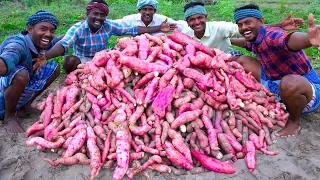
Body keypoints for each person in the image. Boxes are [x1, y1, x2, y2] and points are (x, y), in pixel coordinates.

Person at [231, 4, 320, 137]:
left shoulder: (272, 35)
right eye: (240, 25)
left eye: (248, 22)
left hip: (304, 88)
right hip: (274, 82)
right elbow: (245, 43)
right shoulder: (256, 35)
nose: (244, 27)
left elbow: (288, 40)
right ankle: (275, 97)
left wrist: (308, 39)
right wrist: (227, 40)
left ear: (260, 21)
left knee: (289, 83)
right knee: (241, 60)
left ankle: (294, 122)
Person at [44, 0, 176, 74]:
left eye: (102, 15)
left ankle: (93, 75)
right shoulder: (77, 28)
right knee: (69, 60)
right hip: (82, 59)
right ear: (88, 14)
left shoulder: (108, 25)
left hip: (102, 59)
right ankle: (72, 78)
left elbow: (134, 30)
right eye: (95, 14)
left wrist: (158, 28)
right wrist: (45, 56)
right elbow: (64, 44)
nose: (99, 18)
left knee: (115, 63)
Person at [182, 2, 303, 76]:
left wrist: (279, 25)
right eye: (192, 20)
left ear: (206, 17)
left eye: (200, 17)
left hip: (226, 60)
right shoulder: (185, 34)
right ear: (187, 22)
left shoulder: (220, 27)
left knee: (238, 60)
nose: (197, 22)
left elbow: (249, 29)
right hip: (201, 66)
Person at [0, 10, 60, 133]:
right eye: (43, 29)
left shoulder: (42, 42)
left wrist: (77, 30)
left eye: (52, 30)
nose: (48, 34)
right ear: (30, 28)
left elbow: (59, 40)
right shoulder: (18, 44)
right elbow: (8, 58)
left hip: (19, 89)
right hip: (2, 95)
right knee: (21, 75)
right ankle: (9, 116)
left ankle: (25, 107)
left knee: (54, 68)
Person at [112, 0, 185, 35]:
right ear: (139, 10)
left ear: (154, 11)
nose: (147, 12)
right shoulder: (131, 19)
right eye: (144, 9)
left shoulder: (162, 20)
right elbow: (114, 23)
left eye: (150, 9)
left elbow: (181, 25)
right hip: (138, 48)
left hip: (158, 48)